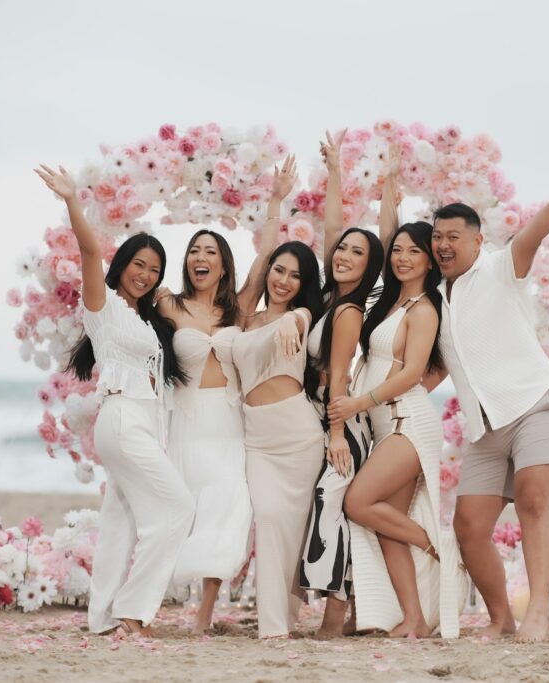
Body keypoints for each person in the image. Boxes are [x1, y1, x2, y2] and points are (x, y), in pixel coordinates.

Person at [431, 145, 549, 642]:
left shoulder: (501, 268)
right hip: (485, 427)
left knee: (533, 499)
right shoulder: (435, 299)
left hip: (536, 404)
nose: (442, 245)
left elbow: (533, 235)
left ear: (478, 241)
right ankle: (501, 619)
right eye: (436, 237)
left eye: (453, 237)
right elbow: (433, 370)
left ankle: (539, 612)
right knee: (470, 527)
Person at [33, 164, 193, 639]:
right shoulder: (103, 307)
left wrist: (165, 305)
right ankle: (132, 611)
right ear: (121, 264)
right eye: (138, 264)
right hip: (122, 418)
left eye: (154, 269)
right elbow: (87, 249)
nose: (145, 275)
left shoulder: (146, 322)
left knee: (121, 523)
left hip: (142, 421)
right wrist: (70, 201)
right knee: (178, 508)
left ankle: (103, 617)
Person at [329, 215, 464, 639]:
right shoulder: (388, 303)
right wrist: (390, 189)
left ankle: (438, 548)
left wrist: (356, 403)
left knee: (359, 503)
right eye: (399, 249)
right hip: (386, 427)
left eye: (415, 251)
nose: (404, 257)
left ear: (429, 262)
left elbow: (412, 374)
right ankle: (416, 620)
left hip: (409, 423)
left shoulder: (424, 310)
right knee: (388, 527)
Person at [231, 157, 327, 639]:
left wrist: (292, 319)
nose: (283, 280)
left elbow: (302, 319)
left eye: (293, 275)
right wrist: (274, 200)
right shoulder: (244, 315)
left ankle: (277, 628)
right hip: (256, 439)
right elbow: (255, 269)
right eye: (279, 270)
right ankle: (279, 621)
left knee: (287, 529)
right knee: (269, 522)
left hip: (297, 437)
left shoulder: (305, 315)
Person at [300, 131, 385, 638]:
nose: (343, 254)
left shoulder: (350, 311)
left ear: (368, 264)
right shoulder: (331, 296)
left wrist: (335, 434)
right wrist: (334, 170)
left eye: (357, 252)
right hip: (324, 418)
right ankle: (346, 610)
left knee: (330, 507)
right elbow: (332, 228)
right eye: (342, 249)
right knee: (328, 509)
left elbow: (335, 373)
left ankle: (336, 614)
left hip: (341, 423)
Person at [157, 228, 251, 634]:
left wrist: (276, 202)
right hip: (189, 422)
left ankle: (204, 613)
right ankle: (154, 596)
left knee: (229, 510)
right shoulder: (168, 304)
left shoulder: (238, 312)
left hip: (231, 422)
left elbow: (264, 265)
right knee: (187, 510)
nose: (201, 256)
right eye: (194, 250)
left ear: (224, 265)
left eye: (210, 251)